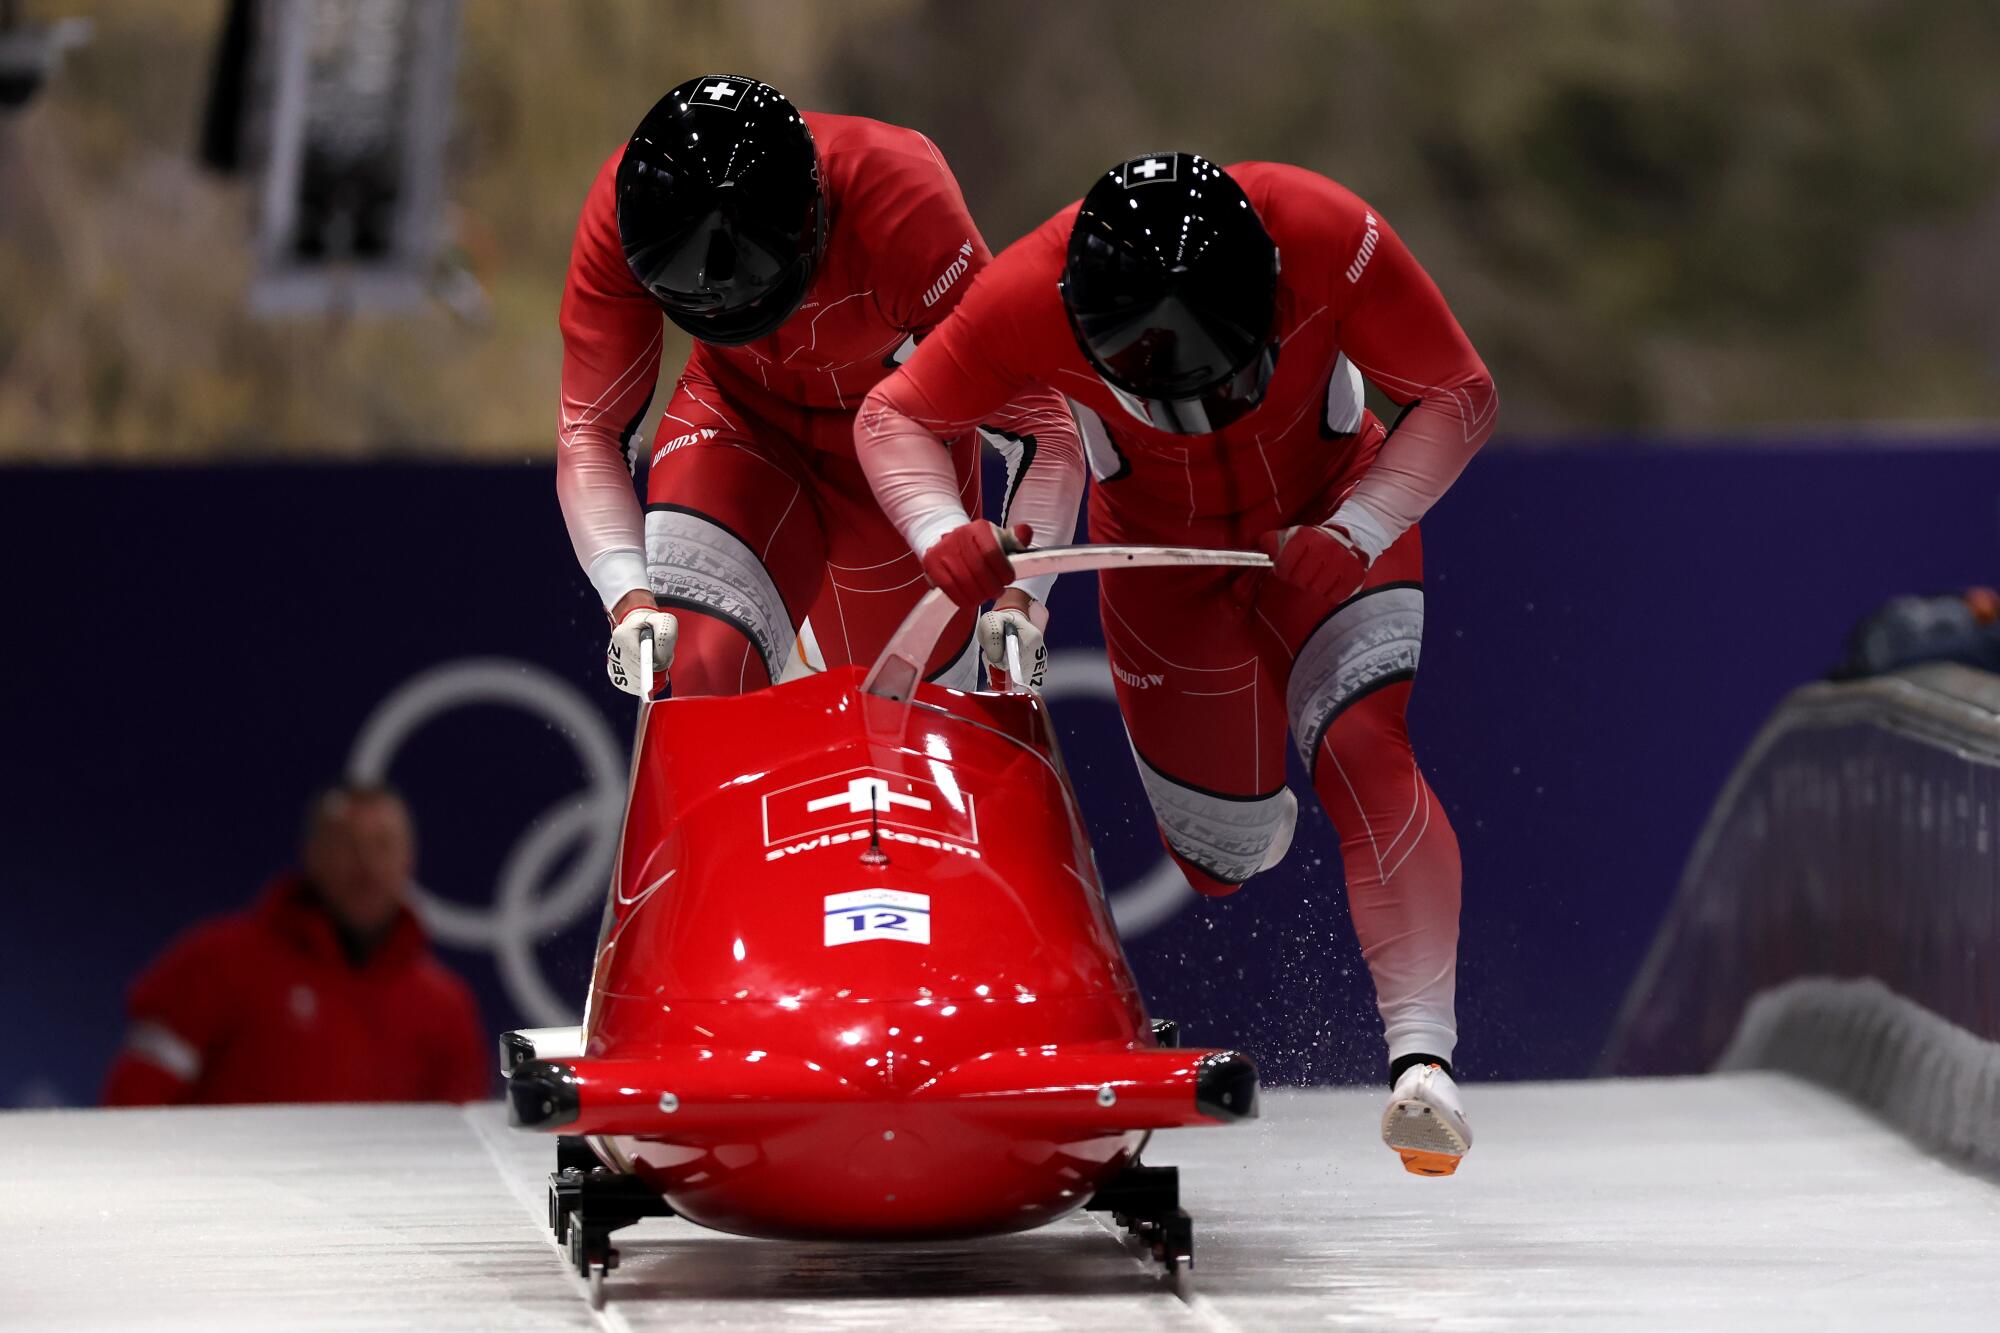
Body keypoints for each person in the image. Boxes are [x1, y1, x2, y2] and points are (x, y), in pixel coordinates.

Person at [856, 153, 1497, 1176]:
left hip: (1324, 523)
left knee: (1364, 744)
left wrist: (1360, 525)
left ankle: (1421, 1060)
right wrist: (942, 526)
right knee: (1219, 861)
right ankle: (1249, 816)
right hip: (1160, 567)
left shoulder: (1327, 231)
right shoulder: (1023, 293)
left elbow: (1458, 393)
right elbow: (892, 413)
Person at [557, 75, 1079, 699]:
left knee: (908, 711)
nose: (734, 318)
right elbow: (591, 429)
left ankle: (817, 658)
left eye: (756, 298)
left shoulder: (906, 206)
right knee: (694, 679)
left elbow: (1041, 423)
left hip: (893, 456)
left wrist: (1022, 600)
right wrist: (628, 599)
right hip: (733, 425)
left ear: (814, 226)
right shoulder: (626, 205)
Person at [101, 784, 488, 1106]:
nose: (366, 865)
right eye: (347, 844)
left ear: (409, 859)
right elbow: (134, 1108)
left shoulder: (444, 1006)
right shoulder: (216, 961)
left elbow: (461, 1146)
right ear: (313, 853)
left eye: (383, 845)